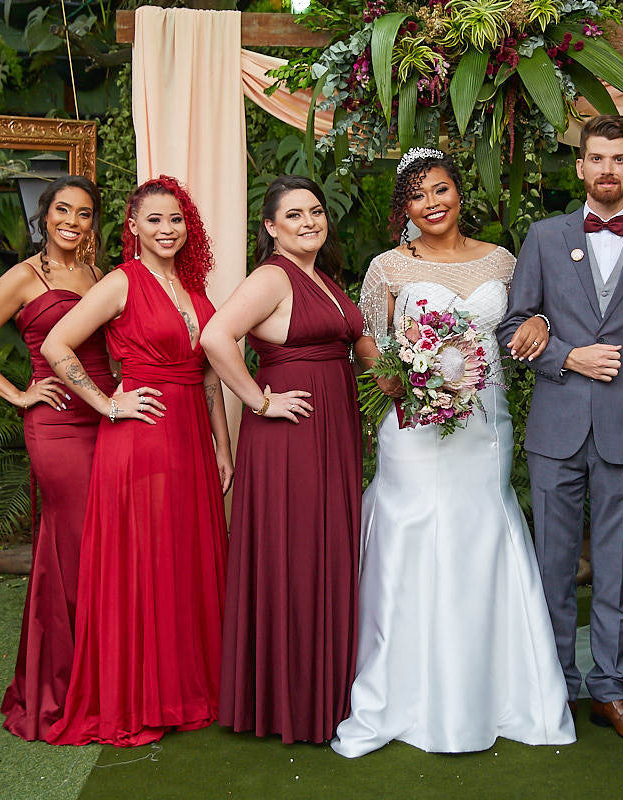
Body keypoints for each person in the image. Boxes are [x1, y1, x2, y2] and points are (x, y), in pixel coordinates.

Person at [330, 148, 575, 758]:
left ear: (459, 192)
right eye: (417, 196)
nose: (432, 204)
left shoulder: (502, 260)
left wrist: (542, 324)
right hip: (414, 427)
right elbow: (369, 341)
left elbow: (528, 320)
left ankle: (494, 691)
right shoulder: (388, 268)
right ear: (405, 208)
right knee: (411, 532)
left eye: (440, 190)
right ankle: (402, 689)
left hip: (484, 427)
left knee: (479, 532)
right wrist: (397, 376)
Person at [497, 115, 623, 743]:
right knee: (552, 566)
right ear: (579, 167)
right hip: (556, 429)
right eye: (597, 158)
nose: (607, 169)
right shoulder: (545, 237)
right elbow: (513, 326)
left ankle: (611, 688)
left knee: (616, 568)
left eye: (619, 159)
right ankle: (553, 684)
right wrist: (567, 357)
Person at [40, 175, 233, 747]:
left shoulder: (194, 289)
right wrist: (107, 403)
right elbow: (55, 344)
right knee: (148, 561)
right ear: (133, 228)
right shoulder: (122, 282)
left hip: (192, 436)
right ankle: (143, 695)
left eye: (175, 219)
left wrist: (224, 448)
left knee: (184, 558)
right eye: (154, 220)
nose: (166, 229)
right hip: (142, 436)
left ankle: (187, 686)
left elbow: (208, 377)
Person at [203, 175, 366, 744]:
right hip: (291, 434)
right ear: (271, 227)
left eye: (316, 211)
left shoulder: (323, 277)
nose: (309, 222)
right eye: (293, 215)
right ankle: (291, 699)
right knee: (297, 551)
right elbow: (215, 337)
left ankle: (328, 687)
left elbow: (358, 350)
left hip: (333, 427)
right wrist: (259, 401)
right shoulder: (273, 276)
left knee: (327, 546)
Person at [0, 176, 111, 741]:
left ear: (93, 223)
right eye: (62, 210)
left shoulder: (99, 276)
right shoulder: (24, 277)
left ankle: (105, 675)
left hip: (105, 418)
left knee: (102, 545)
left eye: (84, 213)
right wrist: (19, 395)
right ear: (43, 217)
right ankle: (62, 685)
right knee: (73, 543)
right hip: (56, 425)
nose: (72, 221)